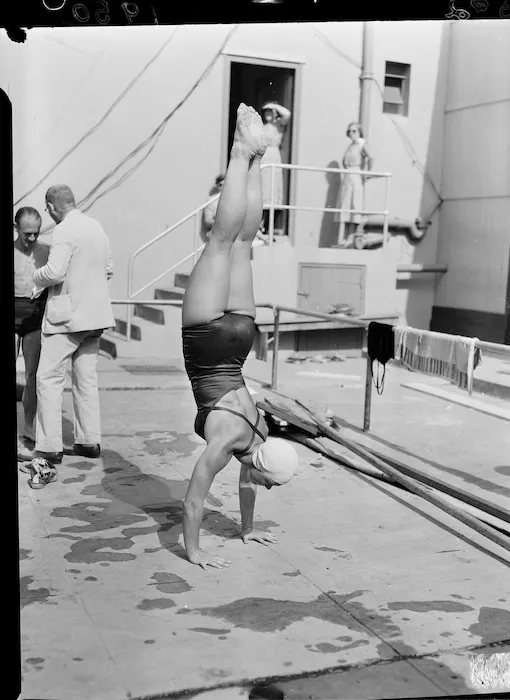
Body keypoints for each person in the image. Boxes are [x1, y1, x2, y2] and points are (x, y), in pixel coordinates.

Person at [182, 104, 298, 570]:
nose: (261, 486)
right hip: (209, 339)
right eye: (270, 483)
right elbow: (193, 501)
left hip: (240, 340)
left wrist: (248, 529)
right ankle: (240, 152)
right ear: (262, 463)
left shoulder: (262, 431)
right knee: (222, 241)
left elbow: (250, 480)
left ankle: (257, 160)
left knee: (243, 244)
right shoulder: (232, 442)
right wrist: (194, 554)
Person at [20, 185, 115, 487]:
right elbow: (108, 269)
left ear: (51, 206)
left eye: (48, 209)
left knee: (47, 378)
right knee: (85, 378)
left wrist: (35, 276)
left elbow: (55, 272)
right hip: (95, 315)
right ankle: (89, 441)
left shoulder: (65, 230)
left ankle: (49, 446)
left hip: (67, 317)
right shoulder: (96, 227)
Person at [14, 207, 50, 461]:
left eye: (36, 233)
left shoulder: (46, 251)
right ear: (16, 229)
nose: (32, 239)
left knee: (32, 376)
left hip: (34, 318)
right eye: (27, 234)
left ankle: (29, 428)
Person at [334, 122, 373, 248]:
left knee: (354, 206)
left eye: (354, 131)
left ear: (359, 132)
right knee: (346, 206)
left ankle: (351, 238)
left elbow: (371, 157)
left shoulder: (362, 144)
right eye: (350, 131)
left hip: (356, 175)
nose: (352, 133)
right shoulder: (350, 146)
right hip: (347, 177)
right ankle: (344, 238)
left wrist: (367, 172)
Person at [260, 102, 291, 236]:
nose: (268, 114)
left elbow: (287, 114)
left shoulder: (278, 126)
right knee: (261, 190)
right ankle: (259, 224)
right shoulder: (262, 127)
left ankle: (267, 226)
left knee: (271, 191)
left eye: (270, 112)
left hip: (273, 156)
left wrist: (275, 107)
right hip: (262, 157)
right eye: (266, 112)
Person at [202, 174, 225, 242]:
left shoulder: (234, 199)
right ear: (217, 186)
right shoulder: (211, 201)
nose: (223, 187)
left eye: (225, 184)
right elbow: (207, 221)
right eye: (221, 185)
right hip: (216, 234)